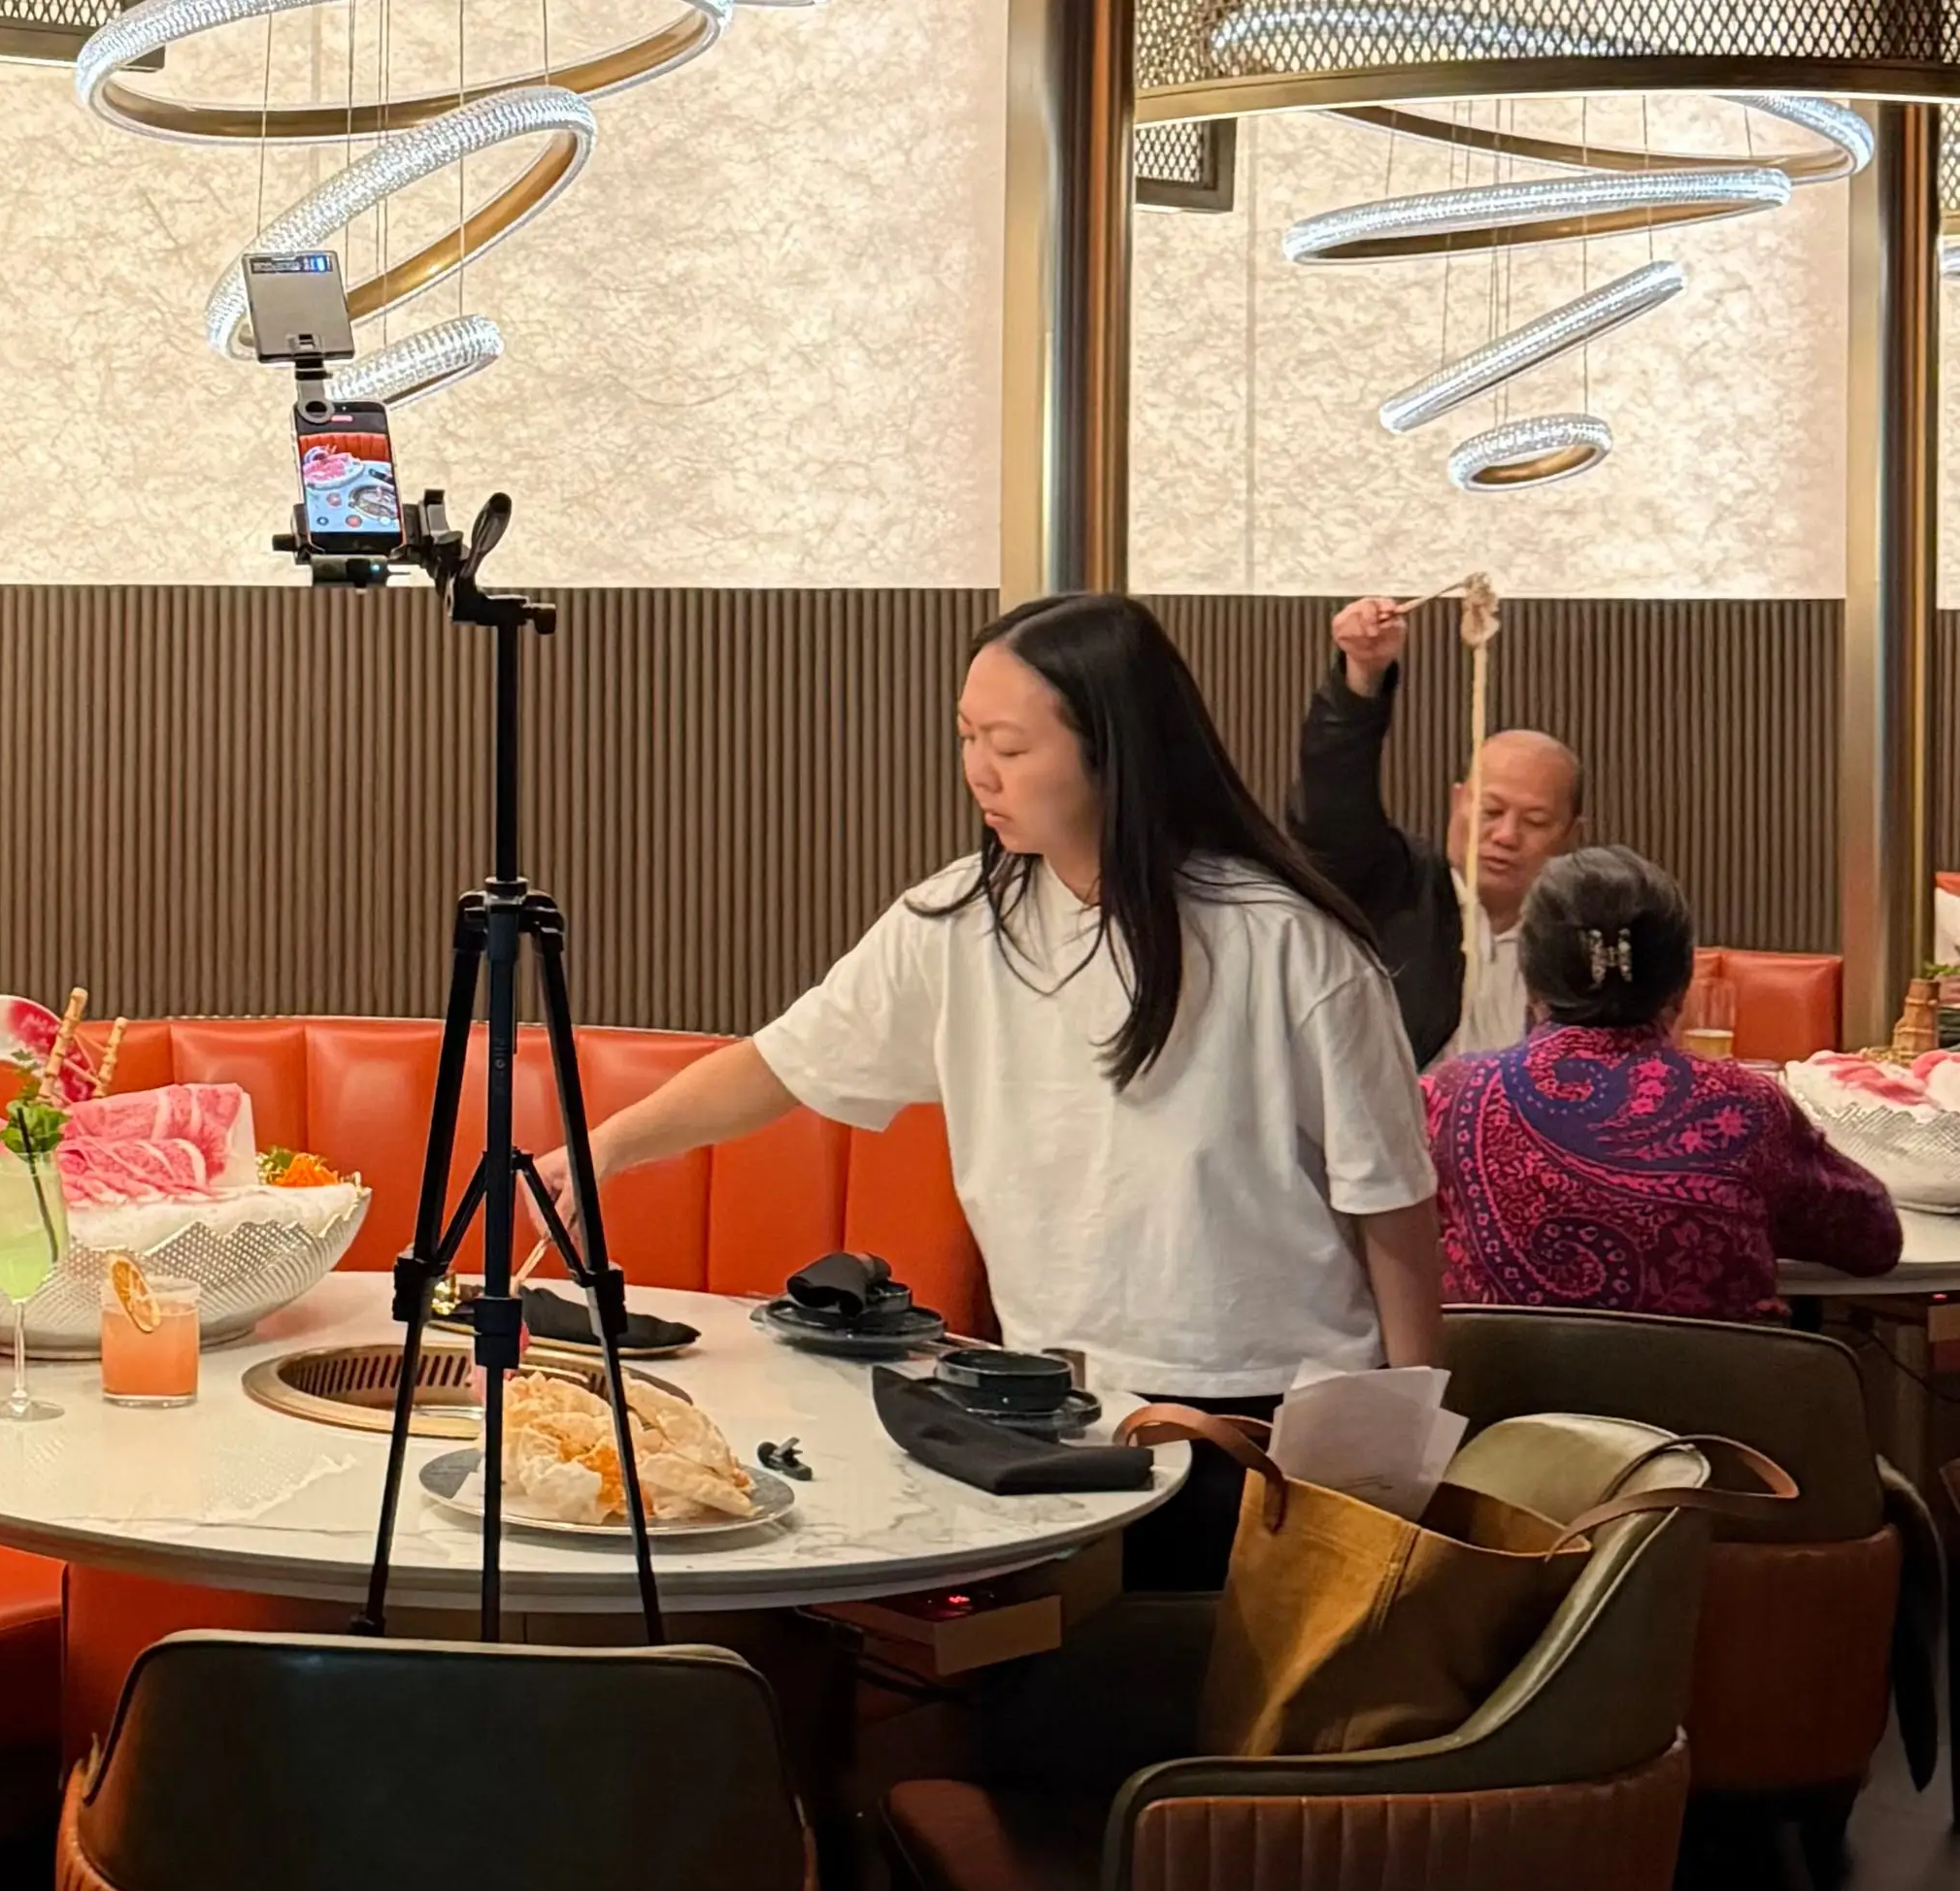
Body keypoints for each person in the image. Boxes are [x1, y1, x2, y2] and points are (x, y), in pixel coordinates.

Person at [536, 591, 1444, 1593]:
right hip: (1051, 1414)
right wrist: (607, 1142)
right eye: (968, 736)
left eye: (1008, 744)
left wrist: (1411, 1454)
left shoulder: (1291, 945)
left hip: (1269, 1433)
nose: (978, 770)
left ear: (1113, 752)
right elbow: (782, 1063)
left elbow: (1392, 1208)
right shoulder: (958, 923)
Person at [1425, 846, 1899, 1316]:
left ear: (1530, 980)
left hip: (1502, 1390)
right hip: (1717, 1390)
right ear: (1682, 982)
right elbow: (1875, 1239)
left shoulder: (1452, 1098)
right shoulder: (1745, 1110)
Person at [1292, 596, 1583, 1068]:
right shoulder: (1396, 888)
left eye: (1534, 822)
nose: (1506, 836)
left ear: (1572, 835)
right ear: (1456, 803)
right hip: (1409, 1134)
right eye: (1490, 811)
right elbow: (1331, 803)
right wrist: (1361, 677)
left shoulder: (1583, 932)